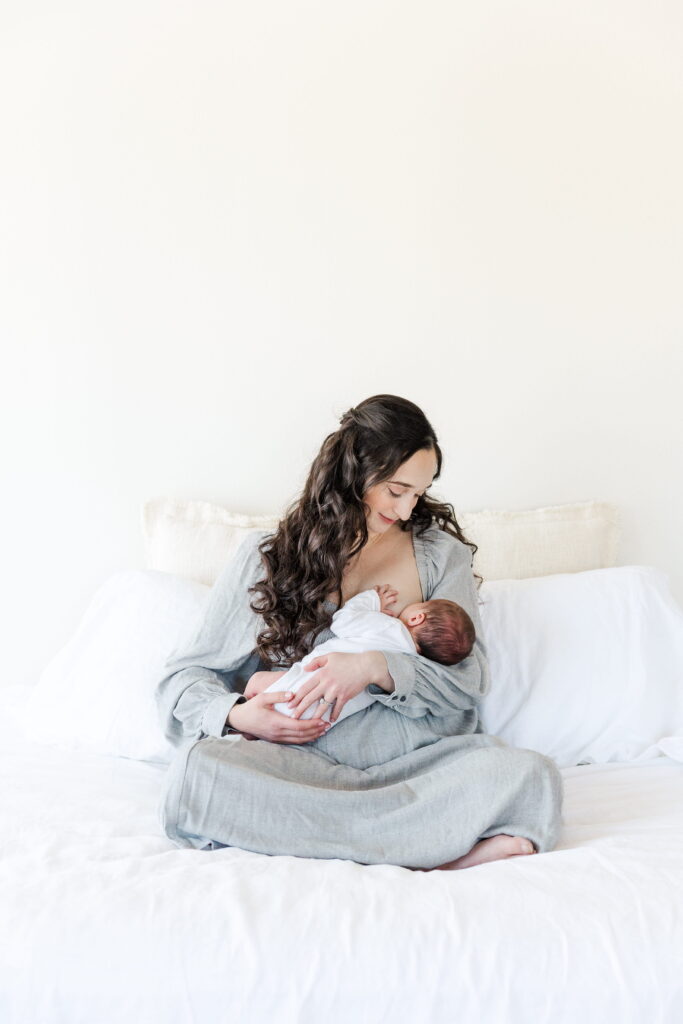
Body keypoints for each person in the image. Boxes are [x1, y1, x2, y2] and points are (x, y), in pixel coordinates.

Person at [155, 394, 563, 870]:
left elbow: (467, 683)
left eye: (418, 492)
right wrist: (240, 716)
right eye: (396, 490)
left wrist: (375, 666)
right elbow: (184, 678)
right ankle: (429, 848)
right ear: (353, 473)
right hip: (299, 769)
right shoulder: (268, 557)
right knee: (195, 773)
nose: (408, 510)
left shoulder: (441, 556)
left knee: (533, 776)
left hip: (419, 771)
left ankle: (347, 837)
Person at [250, 584, 476, 729]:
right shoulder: (409, 665)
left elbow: (343, 620)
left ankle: (247, 715)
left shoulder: (390, 627)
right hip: (317, 723)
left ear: (417, 618)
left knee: (256, 681)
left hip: (295, 692)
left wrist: (373, 600)